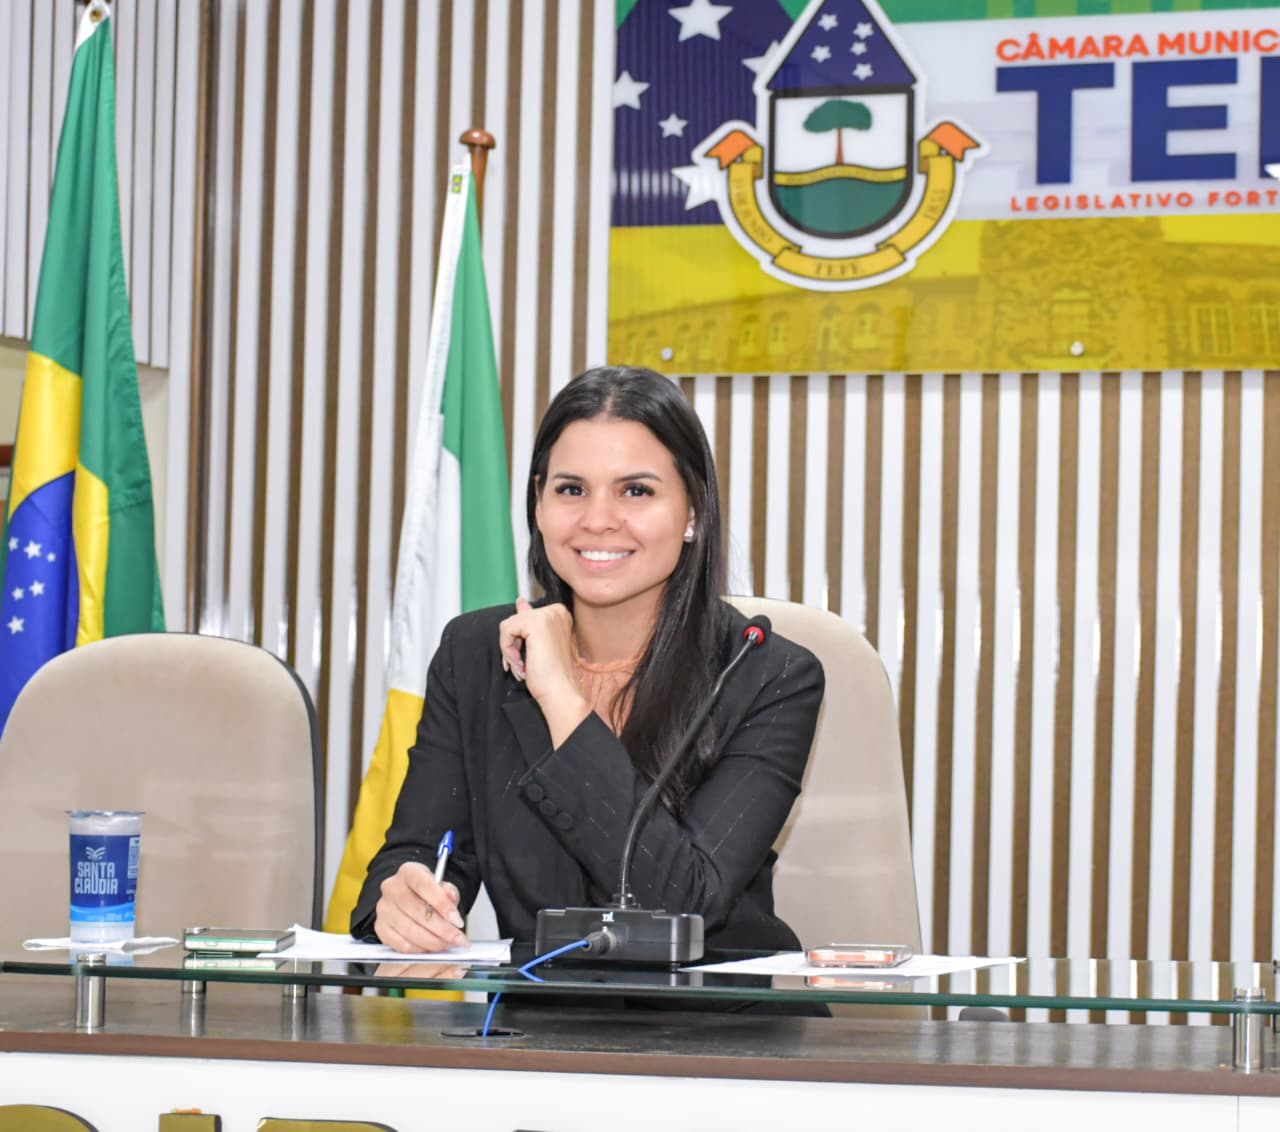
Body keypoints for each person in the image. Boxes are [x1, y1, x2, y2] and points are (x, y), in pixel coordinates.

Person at [351, 366, 825, 958]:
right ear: (539, 506)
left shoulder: (767, 675)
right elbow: (418, 853)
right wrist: (403, 899)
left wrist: (563, 700)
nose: (597, 519)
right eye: (571, 489)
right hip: (541, 1027)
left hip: (714, 1030)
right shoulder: (474, 654)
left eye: (636, 491)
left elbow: (684, 905)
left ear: (693, 514)